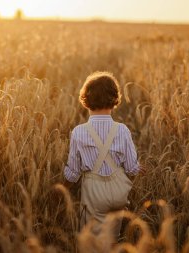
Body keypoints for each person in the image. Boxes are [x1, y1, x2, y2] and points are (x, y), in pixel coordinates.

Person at [63, 71, 140, 234]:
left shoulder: (79, 132)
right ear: (115, 100)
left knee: (93, 241)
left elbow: (73, 172)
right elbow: (132, 169)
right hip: (118, 192)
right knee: (112, 238)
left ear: (86, 100)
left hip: (94, 194)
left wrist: (60, 191)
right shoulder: (122, 130)